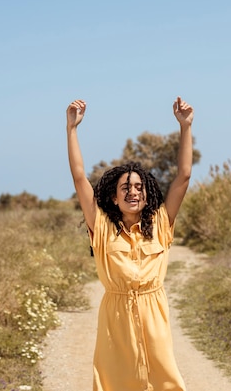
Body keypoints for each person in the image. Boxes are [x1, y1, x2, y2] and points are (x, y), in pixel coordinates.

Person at [66, 96, 194, 391]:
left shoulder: (162, 224)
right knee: (115, 383)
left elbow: (184, 176)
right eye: (126, 188)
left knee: (165, 381)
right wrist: (72, 129)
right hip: (116, 317)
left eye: (139, 187)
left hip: (154, 314)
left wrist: (185, 127)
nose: (133, 192)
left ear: (148, 194)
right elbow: (78, 178)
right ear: (113, 196)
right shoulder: (101, 227)